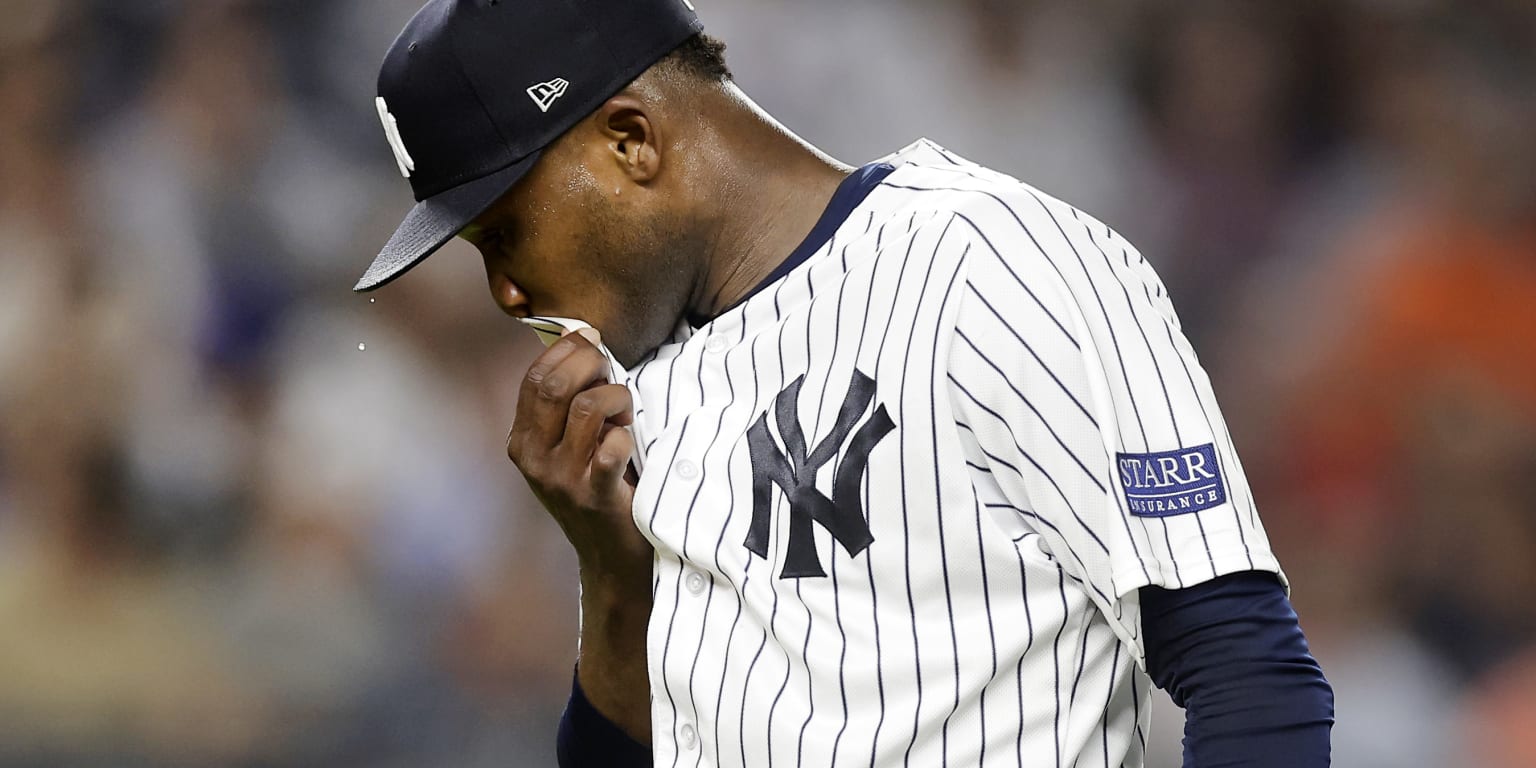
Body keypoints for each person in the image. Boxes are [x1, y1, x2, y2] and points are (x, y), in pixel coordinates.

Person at [354, 1, 1334, 765]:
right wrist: (613, 577)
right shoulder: (638, 396)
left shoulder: (992, 263)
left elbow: (1247, 674)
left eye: (504, 231)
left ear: (630, 141)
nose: (507, 290)